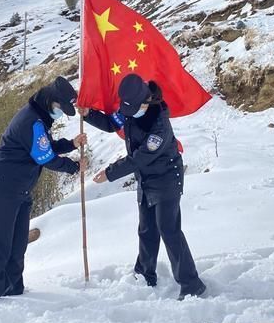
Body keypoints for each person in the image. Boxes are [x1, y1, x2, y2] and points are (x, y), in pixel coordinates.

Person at [80, 74, 206, 301]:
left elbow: (140, 158)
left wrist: (109, 173)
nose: (127, 114)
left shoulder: (159, 125)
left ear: (146, 102)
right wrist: (89, 115)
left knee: (169, 230)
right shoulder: (131, 108)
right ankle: (144, 273)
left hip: (166, 178)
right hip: (146, 180)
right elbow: (112, 123)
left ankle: (191, 283)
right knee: (147, 229)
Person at [0, 76, 87, 302]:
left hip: (21, 190)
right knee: (0, 247)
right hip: (5, 188)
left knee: (17, 246)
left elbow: (47, 145)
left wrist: (71, 144)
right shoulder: (31, 121)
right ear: (49, 101)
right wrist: (74, 167)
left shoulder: (39, 120)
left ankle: (13, 291)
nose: (61, 113)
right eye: (60, 108)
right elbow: (44, 156)